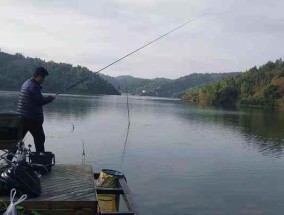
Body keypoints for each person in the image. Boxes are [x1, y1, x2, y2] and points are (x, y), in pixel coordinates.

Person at [17, 67, 55, 153]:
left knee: (17, 140)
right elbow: (39, 101)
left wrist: (47, 98)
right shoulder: (33, 86)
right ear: (39, 76)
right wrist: (50, 98)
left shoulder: (26, 83)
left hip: (22, 117)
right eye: (43, 77)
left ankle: (9, 159)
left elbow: (36, 99)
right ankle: (40, 161)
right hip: (32, 119)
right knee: (40, 139)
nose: (43, 80)